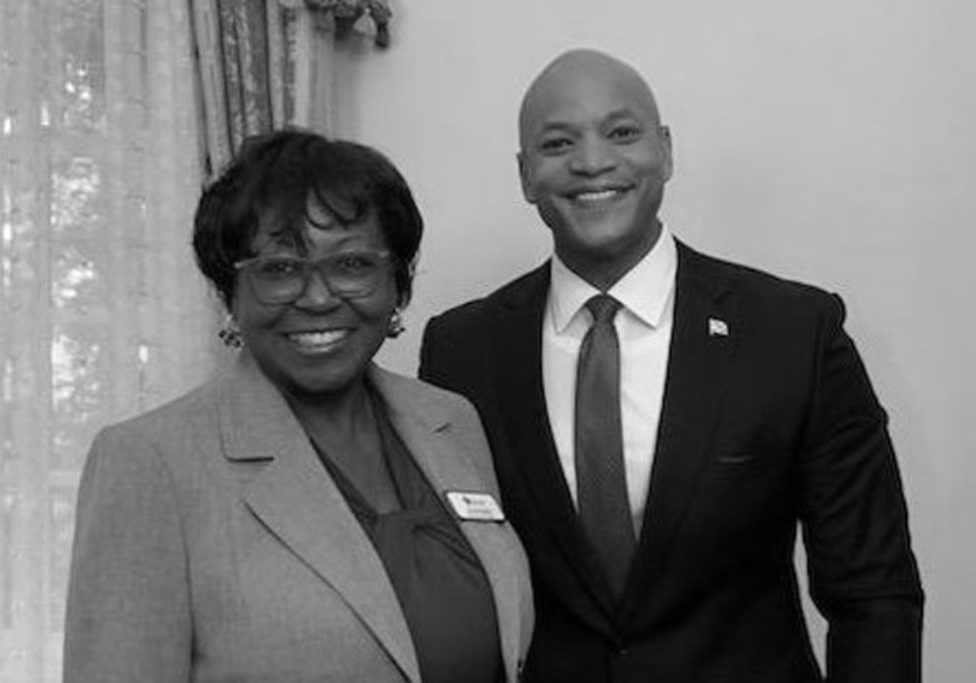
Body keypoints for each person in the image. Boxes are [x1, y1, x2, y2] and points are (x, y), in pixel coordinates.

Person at [419, 49, 923, 682]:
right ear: (525, 176)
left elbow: (874, 592)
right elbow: (451, 581)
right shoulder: (461, 350)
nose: (593, 161)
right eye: (557, 143)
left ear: (666, 151)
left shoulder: (793, 332)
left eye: (622, 133)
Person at [63, 130, 533, 683]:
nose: (317, 297)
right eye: (280, 269)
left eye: (352, 264)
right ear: (228, 294)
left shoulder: (451, 421)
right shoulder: (149, 462)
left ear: (397, 284)